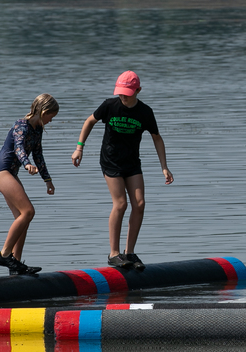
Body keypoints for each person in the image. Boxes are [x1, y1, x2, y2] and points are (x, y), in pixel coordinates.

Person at [71, 71, 173, 270]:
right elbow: (89, 121)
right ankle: (113, 254)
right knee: (120, 204)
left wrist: (164, 167)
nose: (123, 96)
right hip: (111, 161)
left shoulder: (145, 112)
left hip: (132, 162)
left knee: (140, 203)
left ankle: (130, 253)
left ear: (138, 91)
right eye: (121, 92)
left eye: (127, 93)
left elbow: (156, 138)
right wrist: (79, 147)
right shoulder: (110, 105)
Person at [0, 94, 59, 275]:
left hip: (10, 173)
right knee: (28, 211)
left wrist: (47, 180)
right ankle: (4, 255)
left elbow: (39, 155)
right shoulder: (21, 125)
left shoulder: (37, 129)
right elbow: (18, 147)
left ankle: (16, 264)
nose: (51, 121)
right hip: (1, 172)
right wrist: (26, 163)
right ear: (43, 112)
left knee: (23, 217)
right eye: (51, 117)